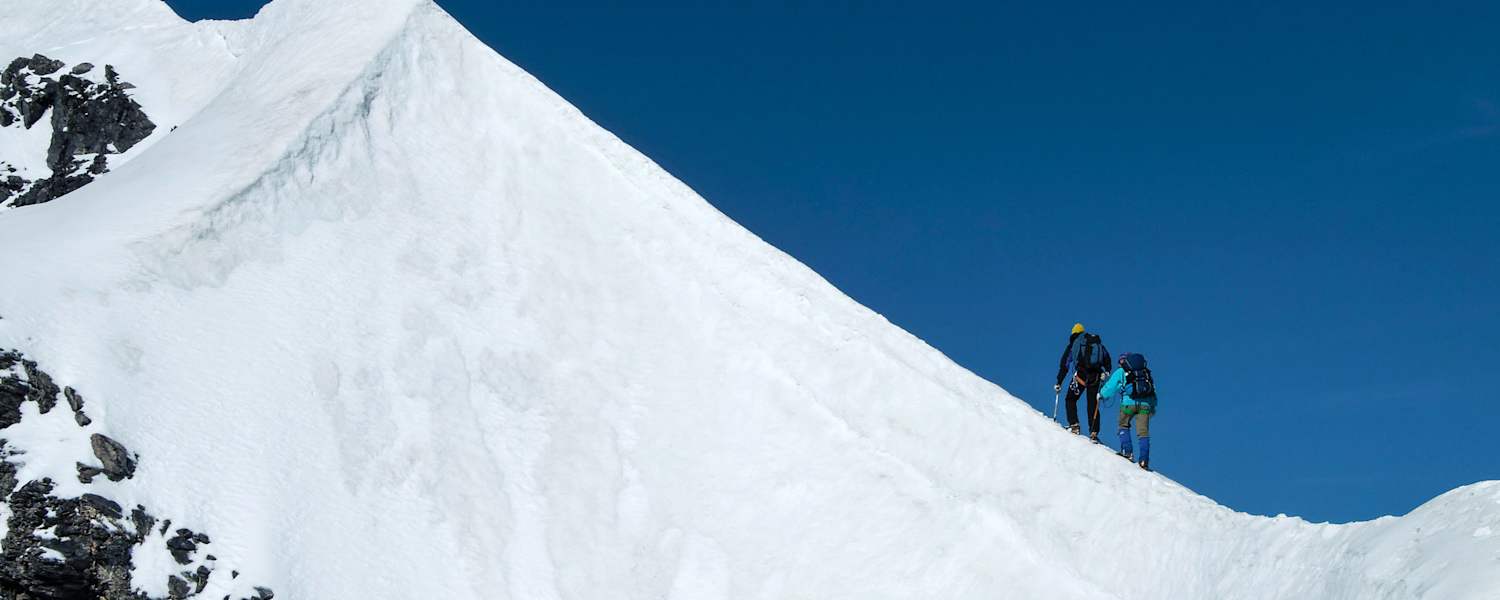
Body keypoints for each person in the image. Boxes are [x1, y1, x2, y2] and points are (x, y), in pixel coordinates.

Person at [1053, 323, 1111, 441]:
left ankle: (1074, 425)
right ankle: (1094, 432)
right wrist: (1106, 372)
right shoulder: (1096, 342)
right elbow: (1107, 359)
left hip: (1081, 376)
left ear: (1073, 333)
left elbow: (1065, 365)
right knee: (1092, 404)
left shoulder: (1073, 345)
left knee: (1070, 398)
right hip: (1096, 376)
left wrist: (1059, 382)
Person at [1101, 352, 1159, 471]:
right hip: (1145, 405)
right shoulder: (1145, 372)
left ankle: (1127, 452)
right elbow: (1153, 391)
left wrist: (1101, 394)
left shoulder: (1121, 371)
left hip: (1128, 404)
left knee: (1123, 425)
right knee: (1143, 432)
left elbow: (1111, 386)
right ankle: (1144, 460)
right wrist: (1152, 408)